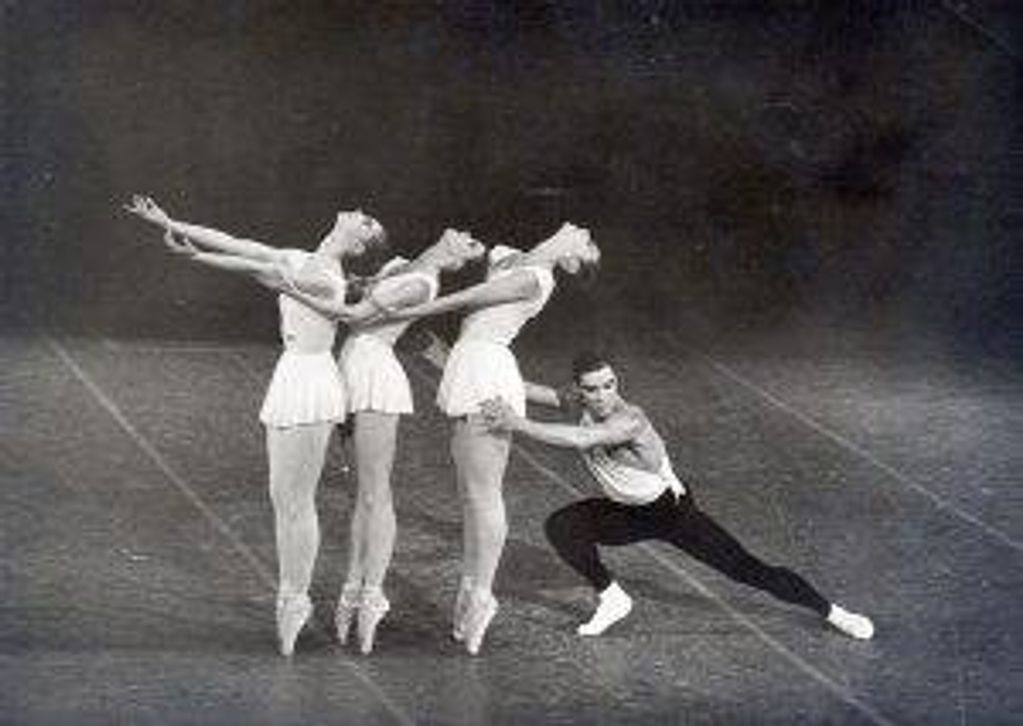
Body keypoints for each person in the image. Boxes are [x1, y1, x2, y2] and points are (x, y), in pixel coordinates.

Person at [123, 195, 388, 656]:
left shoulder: (324, 276)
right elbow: (239, 243)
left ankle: (295, 597)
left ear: (360, 245)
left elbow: (261, 271)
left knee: (296, 501)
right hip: (292, 374)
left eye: (367, 222)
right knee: (281, 497)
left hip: (311, 381)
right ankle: (293, 594)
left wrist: (196, 254)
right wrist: (169, 222)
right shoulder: (307, 258)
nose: (358, 211)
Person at [479, 351, 875, 640]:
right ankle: (612, 597)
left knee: (748, 570)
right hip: (625, 512)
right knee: (561, 526)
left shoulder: (630, 419)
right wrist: (458, 363)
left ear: (617, 383)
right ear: (580, 390)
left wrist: (515, 423)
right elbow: (529, 390)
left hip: (670, 513)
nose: (602, 395)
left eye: (609, 385)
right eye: (592, 389)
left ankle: (834, 612)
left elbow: (582, 438)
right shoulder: (578, 401)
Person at [379, 222, 600, 654]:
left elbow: (471, 299)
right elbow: (472, 272)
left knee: (483, 495)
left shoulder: (537, 279)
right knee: (468, 498)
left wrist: (402, 309)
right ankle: (470, 587)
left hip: (486, 377)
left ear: (571, 263)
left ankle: (482, 595)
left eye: (587, 246)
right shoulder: (509, 256)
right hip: (472, 367)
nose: (584, 233)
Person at [271, 228, 486, 654]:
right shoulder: (400, 266)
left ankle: (371, 594)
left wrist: (291, 287)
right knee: (360, 494)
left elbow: (353, 318)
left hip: (373, 376)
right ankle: (353, 586)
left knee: (375, 493)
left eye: (472, 243)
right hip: (348, 371)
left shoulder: (424, 283)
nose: (466, 235)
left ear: (458, 260)